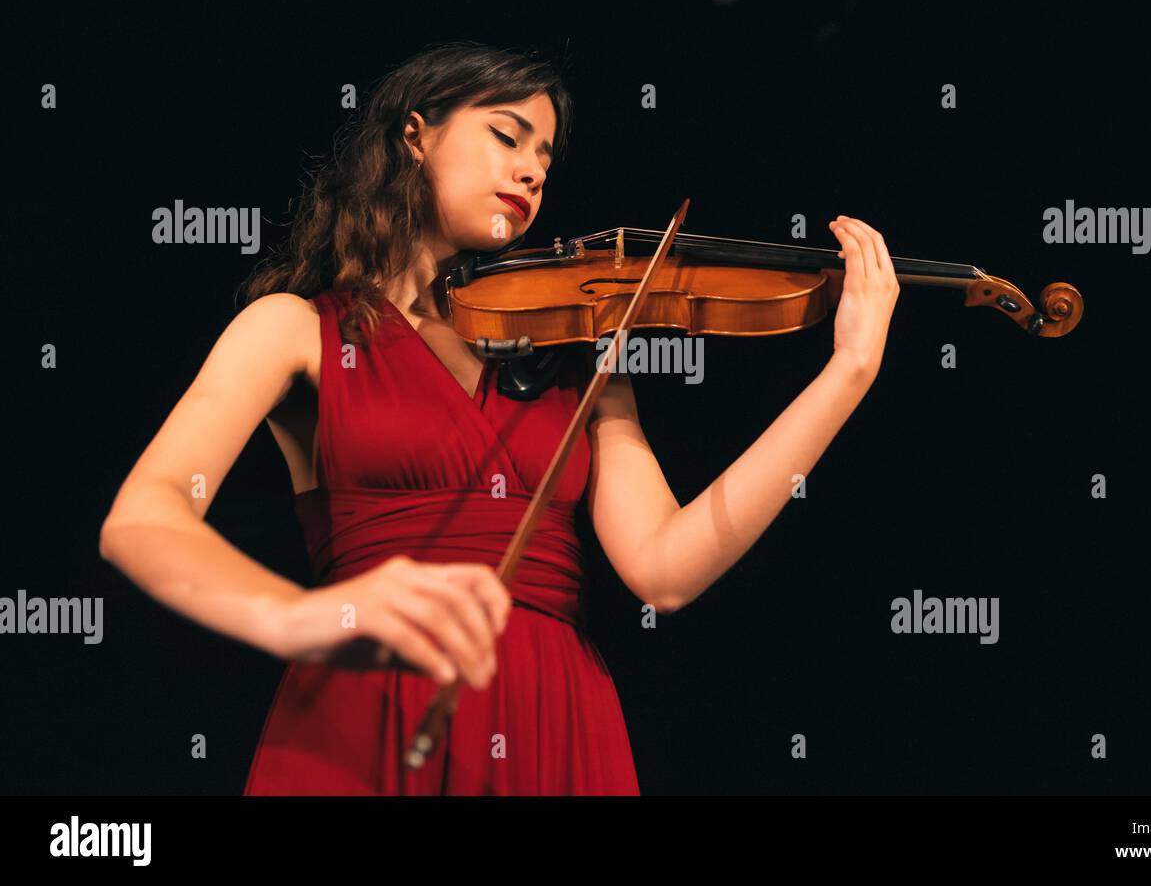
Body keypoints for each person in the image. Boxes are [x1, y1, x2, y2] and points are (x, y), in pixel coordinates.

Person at [98, 41, 900, 795]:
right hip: (365, 708)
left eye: (545, 158)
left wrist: (848, 372)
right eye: (507, 137)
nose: (530, 172)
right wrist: (299, 617)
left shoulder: (569, 357)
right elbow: (142, 518)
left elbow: (667, 568)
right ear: (416, 135)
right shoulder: (293, 328)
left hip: (557, 721)